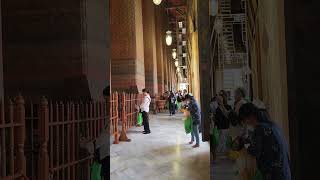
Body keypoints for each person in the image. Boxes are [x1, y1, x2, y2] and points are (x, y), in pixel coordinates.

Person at [239, 103, 291, 180]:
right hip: (284, 171)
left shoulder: (260, 129)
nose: (246, 124)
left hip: (274, 174)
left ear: (250, 117)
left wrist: (245, 143)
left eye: (244, 121)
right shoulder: (273, 125)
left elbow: (255, 151)